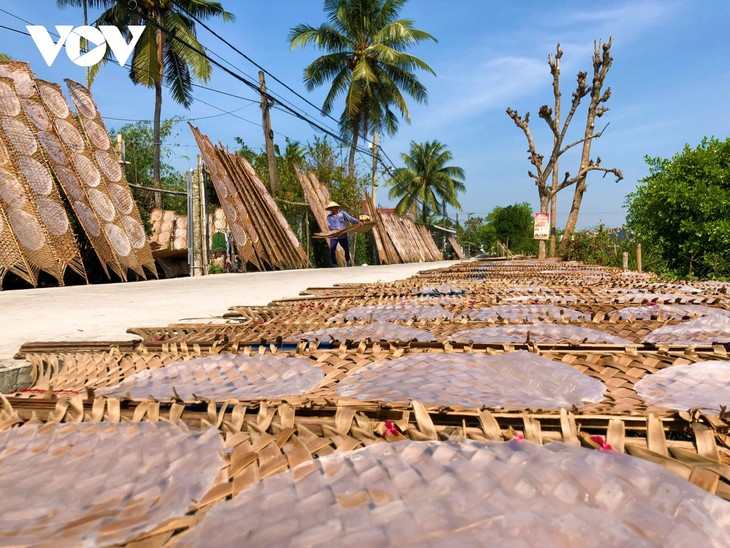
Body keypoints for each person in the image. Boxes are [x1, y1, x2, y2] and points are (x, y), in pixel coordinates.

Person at [325, 201, 360, 266]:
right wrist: (334, 228)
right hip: (334, 235)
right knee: (332, 249)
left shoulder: (342, 213)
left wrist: (357, 222)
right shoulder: (329, 217)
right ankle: (334, 263)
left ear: (336, 208)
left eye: (333, 208)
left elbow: (350, 219)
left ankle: (348, 260)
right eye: (331, 208)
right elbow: (329, 226)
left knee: (346, 248)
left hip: (343, 235)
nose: (332, 209)